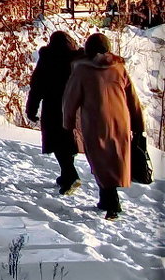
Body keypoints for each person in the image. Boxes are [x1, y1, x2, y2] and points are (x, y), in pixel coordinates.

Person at [62, 33, 146, 220]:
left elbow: (70, 100)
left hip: (95, 120)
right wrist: (139, 124)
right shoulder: (118, 68)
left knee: (99, 160)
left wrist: (67, 124)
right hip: (120, 120)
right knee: (115, 159)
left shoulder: (82, 70)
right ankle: (105, 199)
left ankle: (112, 203)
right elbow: (133, 98)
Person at [26, 31, 83, 194]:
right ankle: (66, 175)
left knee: (58, 143)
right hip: (75, 107)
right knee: (68, 140)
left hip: (53, 107)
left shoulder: (48, 59)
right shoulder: (77, 60)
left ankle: (71, 175)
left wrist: (31, 109)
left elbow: (37, 87)